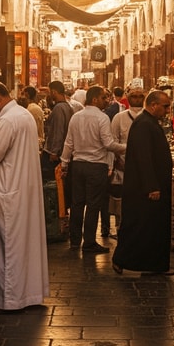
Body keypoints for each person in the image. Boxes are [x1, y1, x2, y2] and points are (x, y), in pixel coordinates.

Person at [0, 81, 49, 311]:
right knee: (26, 243)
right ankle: (29, 294)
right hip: (24, 188)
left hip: (11, 190)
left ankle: (8, 300)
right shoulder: (23, 114)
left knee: (9, 245)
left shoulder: (7, 119)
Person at [112, 89, 174, 275]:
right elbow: (143, 158)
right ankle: (121, 259)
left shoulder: (148, 122)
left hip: (150, 186)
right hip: (144, 189)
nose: (167, 110)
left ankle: (152, 264)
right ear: (153, 105)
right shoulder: (144, 124)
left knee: (151, 228)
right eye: (165, 106)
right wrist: (152, 186)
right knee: (139, 227)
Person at [61, 85, 125, 252]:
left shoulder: (76, 117)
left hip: (78, 165)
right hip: (96, 166)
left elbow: (69, 142)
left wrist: (64, 163)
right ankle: (89, 242)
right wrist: (126, 147)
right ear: (94, 99)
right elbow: (108, 144)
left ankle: (75, 240)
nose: (107, 100)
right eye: (104, 97)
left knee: (77, 204)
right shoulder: (102, 118)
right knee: (93, 204)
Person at [109, 86, 146, 236]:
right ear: (128, 98)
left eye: (139, 96)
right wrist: (117, 160)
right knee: (122, 201)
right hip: (122, 165)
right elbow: (113, 140)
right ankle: (120, 228)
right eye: (134, 96)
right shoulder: (119, 118)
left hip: (143, 167)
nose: (137, 99)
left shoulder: (148, 117)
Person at [42, 80, 74, 179]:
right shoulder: (68, 107)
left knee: (51, 181)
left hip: (55, 153)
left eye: (49, 92)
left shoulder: (59, 108)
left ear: (54, 92)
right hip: (62, 150)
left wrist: (54, 152)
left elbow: (58, 131)